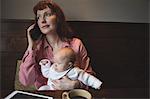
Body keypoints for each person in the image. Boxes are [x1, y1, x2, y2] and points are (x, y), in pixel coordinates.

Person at [19, 0, 94, 90]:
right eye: (38, 17)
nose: (42, 20)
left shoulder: (76, 44)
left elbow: (89, 76)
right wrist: (31, 46)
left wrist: (76, 85)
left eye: (47, 14)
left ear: (58, 18)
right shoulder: (36, 49)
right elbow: (25, 81)